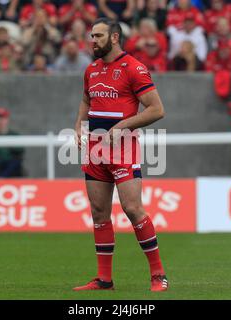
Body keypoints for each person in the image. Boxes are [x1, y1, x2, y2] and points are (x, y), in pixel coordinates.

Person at [73, 18, 168, 292]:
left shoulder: (134, 68)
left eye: (98, 36)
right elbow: (86, 100)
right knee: (99, 213)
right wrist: (78, 123)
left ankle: (158, 275)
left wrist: (123, 125)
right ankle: (104, 280)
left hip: (123, 148)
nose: (92, 40)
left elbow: (156, 109)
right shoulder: (91, 69)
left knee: (132, 209)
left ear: (115, 37)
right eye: (91, 35)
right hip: (95, 149)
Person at [0, 107, 24, 177]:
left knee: (14, 164)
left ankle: (2, 179)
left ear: (7, 120)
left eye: (3, 118)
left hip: (11, 165)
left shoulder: (14, 135)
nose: (1, 121)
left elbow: (20, 150)